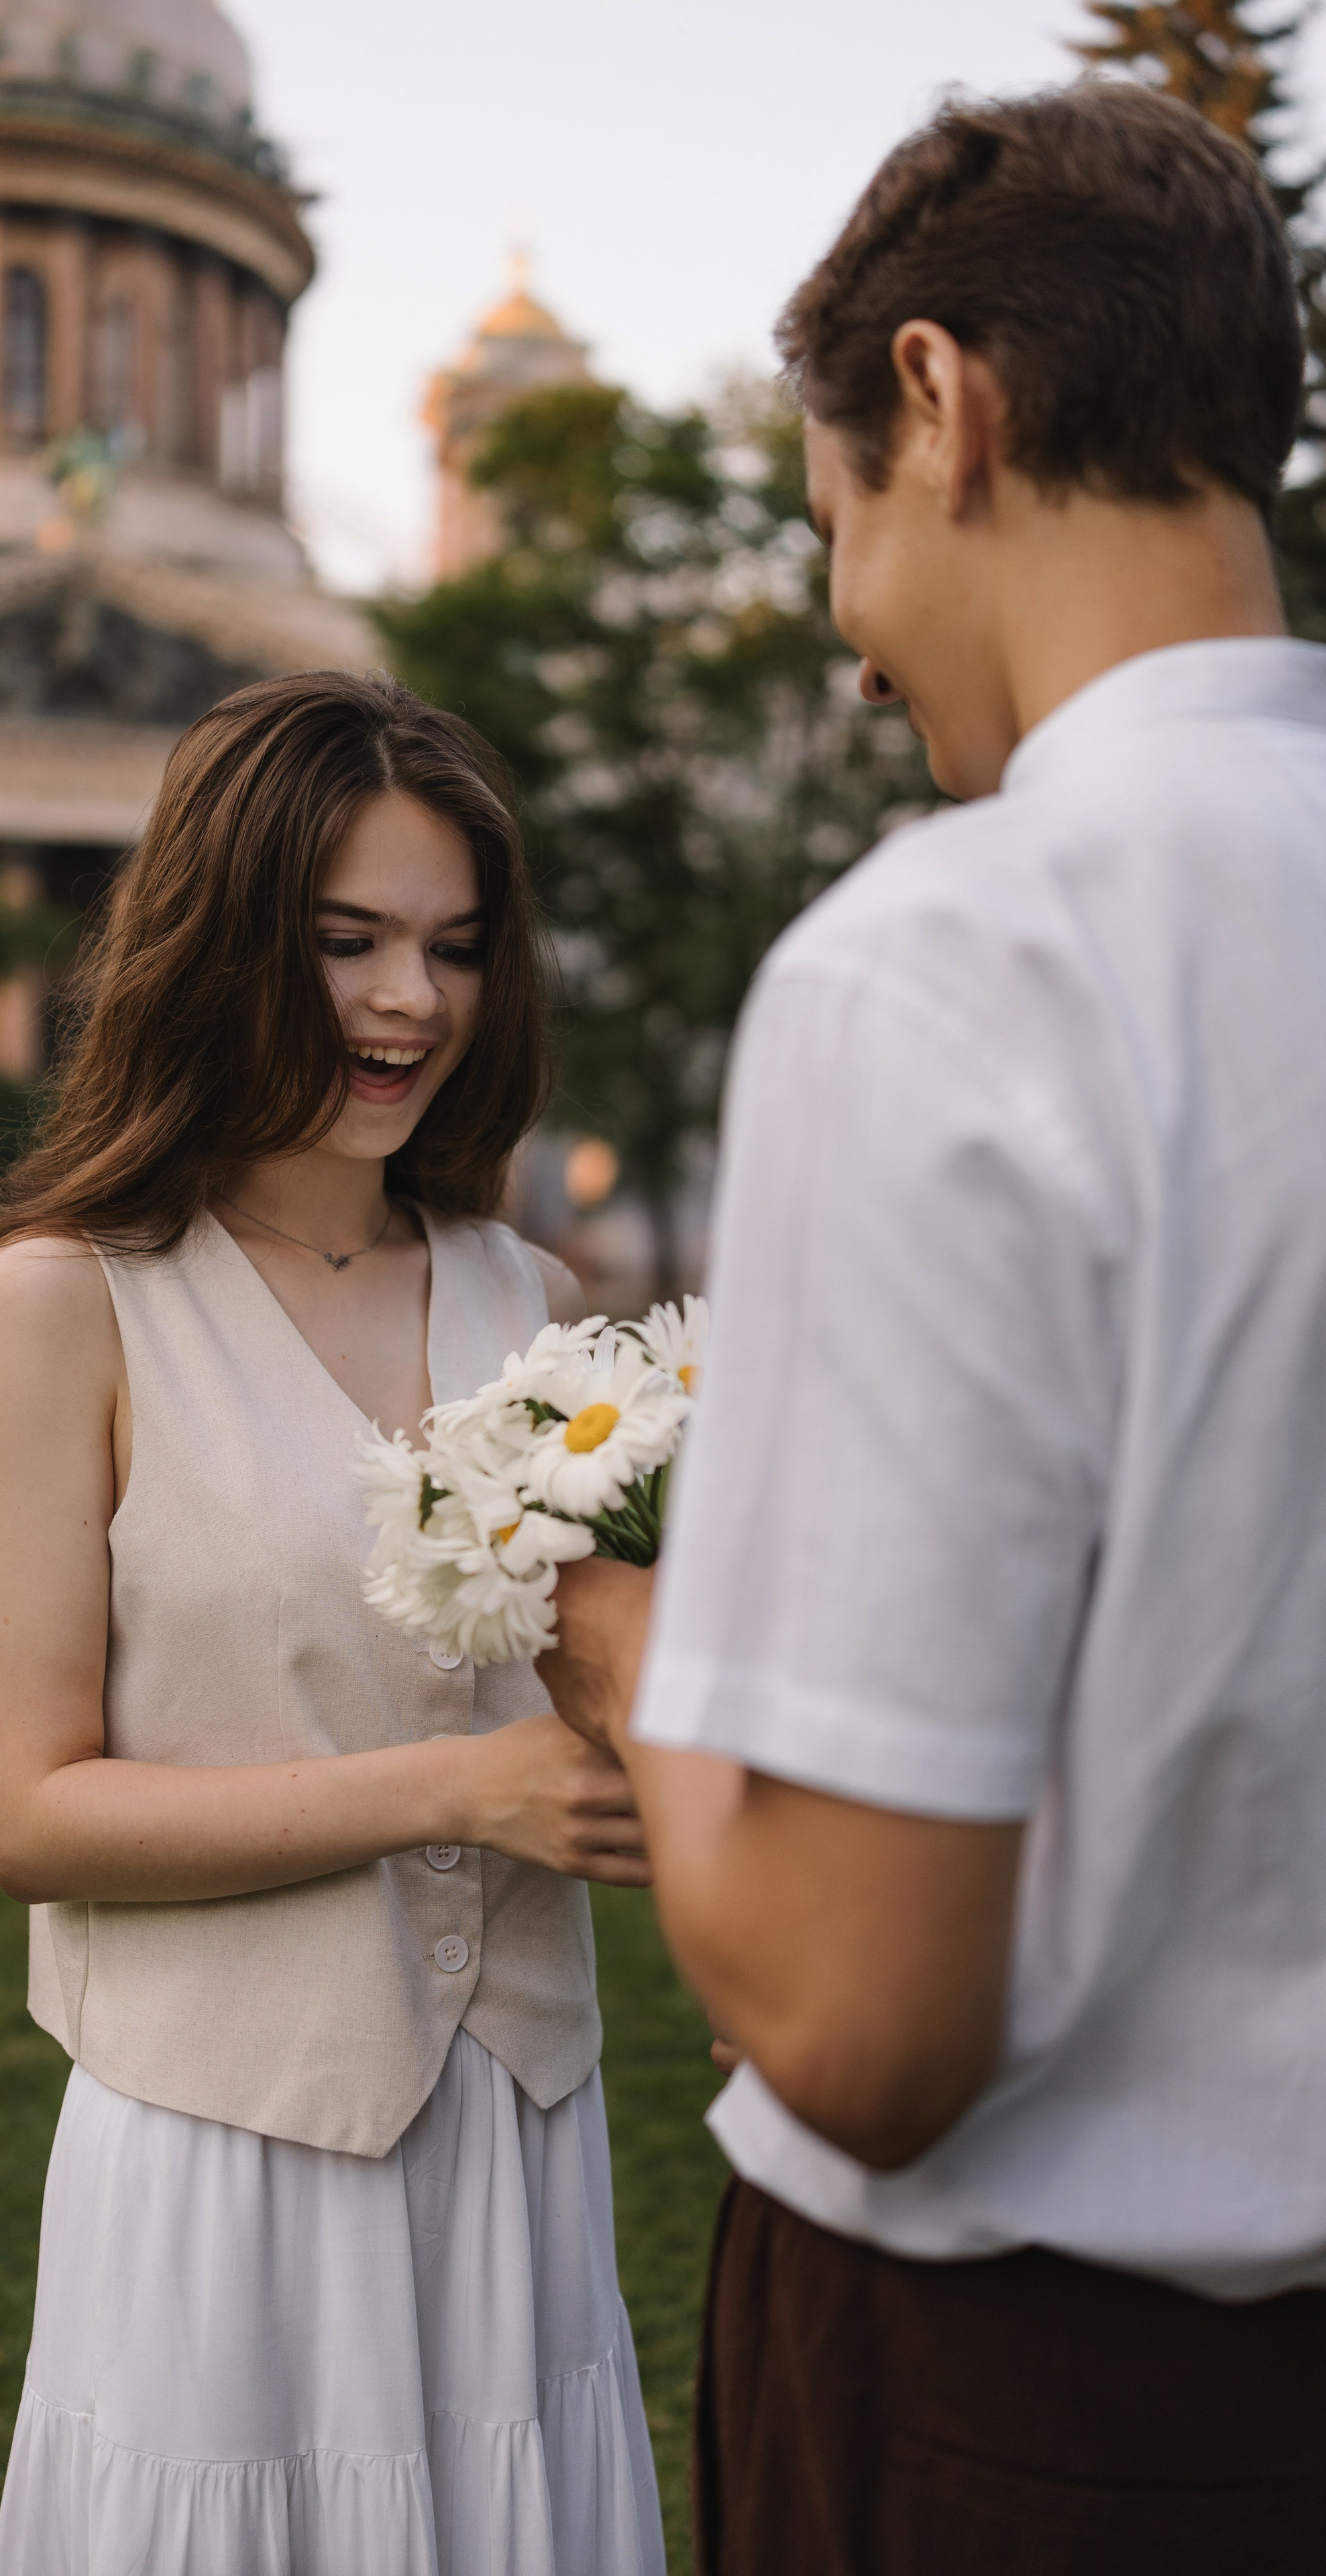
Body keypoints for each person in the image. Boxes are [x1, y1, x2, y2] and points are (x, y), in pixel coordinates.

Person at [539, 80, 1326, 2576]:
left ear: (943, 402)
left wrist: (624, 1649)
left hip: (1043, 2405)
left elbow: (872, 2032)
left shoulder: (956, 964)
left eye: (835, 534)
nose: (857, 657)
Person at [0, 671, 666, 2576]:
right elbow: (30, 1814)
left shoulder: (543, 1303)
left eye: (452, 947)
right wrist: (469, 1789)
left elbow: (608, 1688)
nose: (411, 1002)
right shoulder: (69, 1302)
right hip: (230, 2165)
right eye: (345, 942)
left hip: (515, 2155)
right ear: (224, 941)